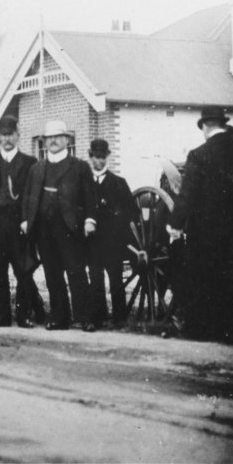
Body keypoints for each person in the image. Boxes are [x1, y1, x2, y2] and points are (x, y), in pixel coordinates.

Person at [166, 106, 233, 344]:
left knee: (205, 278)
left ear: (205, 126)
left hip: (206, 232)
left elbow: (187, 195)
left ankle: (205, 330)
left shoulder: (198, 155)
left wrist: (175, 225)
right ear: (224, 124)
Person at [21, 120, 98, 332]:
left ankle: (84, 317)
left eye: (58, 136)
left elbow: (90, 198)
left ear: (66, 139)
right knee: (52, 275)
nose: (53, 141)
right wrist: (25, 220)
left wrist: (90, 220)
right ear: (44, 141)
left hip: (70, 229)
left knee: (76, 273)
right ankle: (59, 318)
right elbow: (28, 197)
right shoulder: (36, 169)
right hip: (43, 230)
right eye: (49, 138)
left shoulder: (79, 167)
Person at [0, 115, 43, 328]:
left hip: (19, 223)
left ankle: (24, 316)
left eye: (11, 134)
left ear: (18, 135)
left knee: (23, 270)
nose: (7, 139)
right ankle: (2, 316)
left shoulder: (29, 163)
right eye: (3, 135)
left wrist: (27, 220)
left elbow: (32, 196)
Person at [86, 139, 138, 328]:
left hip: (113, 241)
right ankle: (98, 317)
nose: (99, 161)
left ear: (107, 157)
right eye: (96, 157)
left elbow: (132, 211)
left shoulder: (118, 183)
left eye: (102, 157)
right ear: (90, 157)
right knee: (95, 278)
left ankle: (119, 318)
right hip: (92, 241)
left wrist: (119, 229)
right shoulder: (84, 183)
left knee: (116, 279)